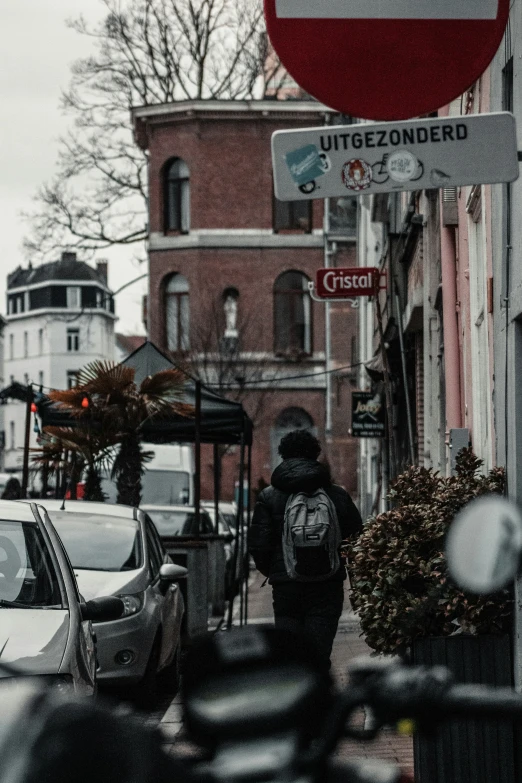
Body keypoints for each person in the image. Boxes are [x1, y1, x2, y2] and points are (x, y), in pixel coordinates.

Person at [249, 430, 363, 671]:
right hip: (327, 584)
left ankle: (296, 696)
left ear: (283, 456)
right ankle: (320, 697)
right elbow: (357, 537)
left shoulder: (269, 497)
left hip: (286, 586)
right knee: (319, 652)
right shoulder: (337, 495)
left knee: (290, 651)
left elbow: (259, 545)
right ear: (315, 455)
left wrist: (275, 571)